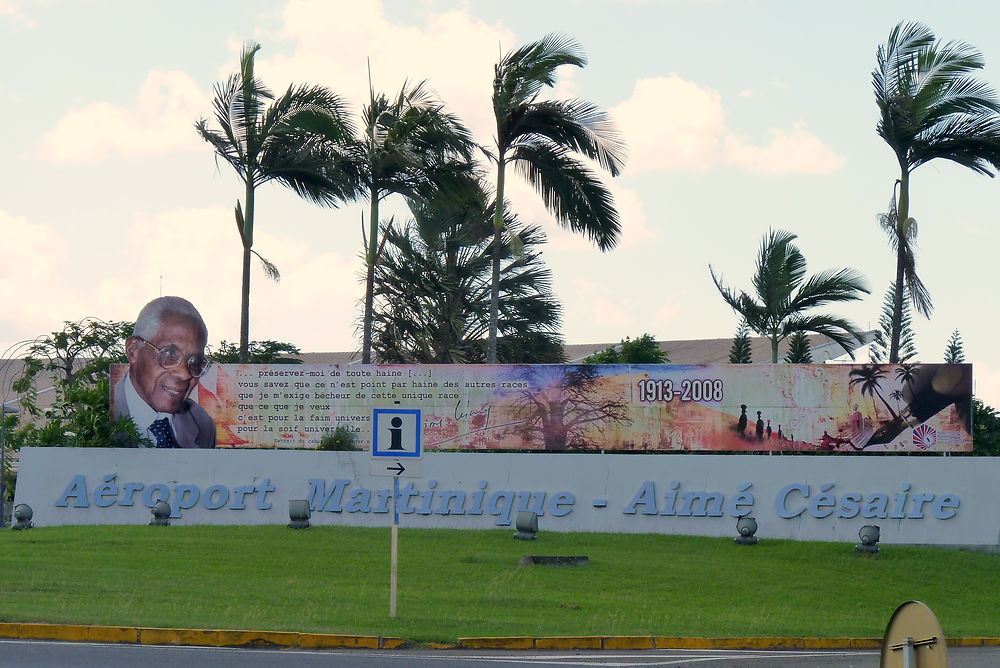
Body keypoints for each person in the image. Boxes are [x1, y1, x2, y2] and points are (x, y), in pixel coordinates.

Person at [113, 296, 216, 448]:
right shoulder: (99, 415)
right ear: (133, 350)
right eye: (169, 354)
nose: (185, 374)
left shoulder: (202, 423)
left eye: (195, 361)